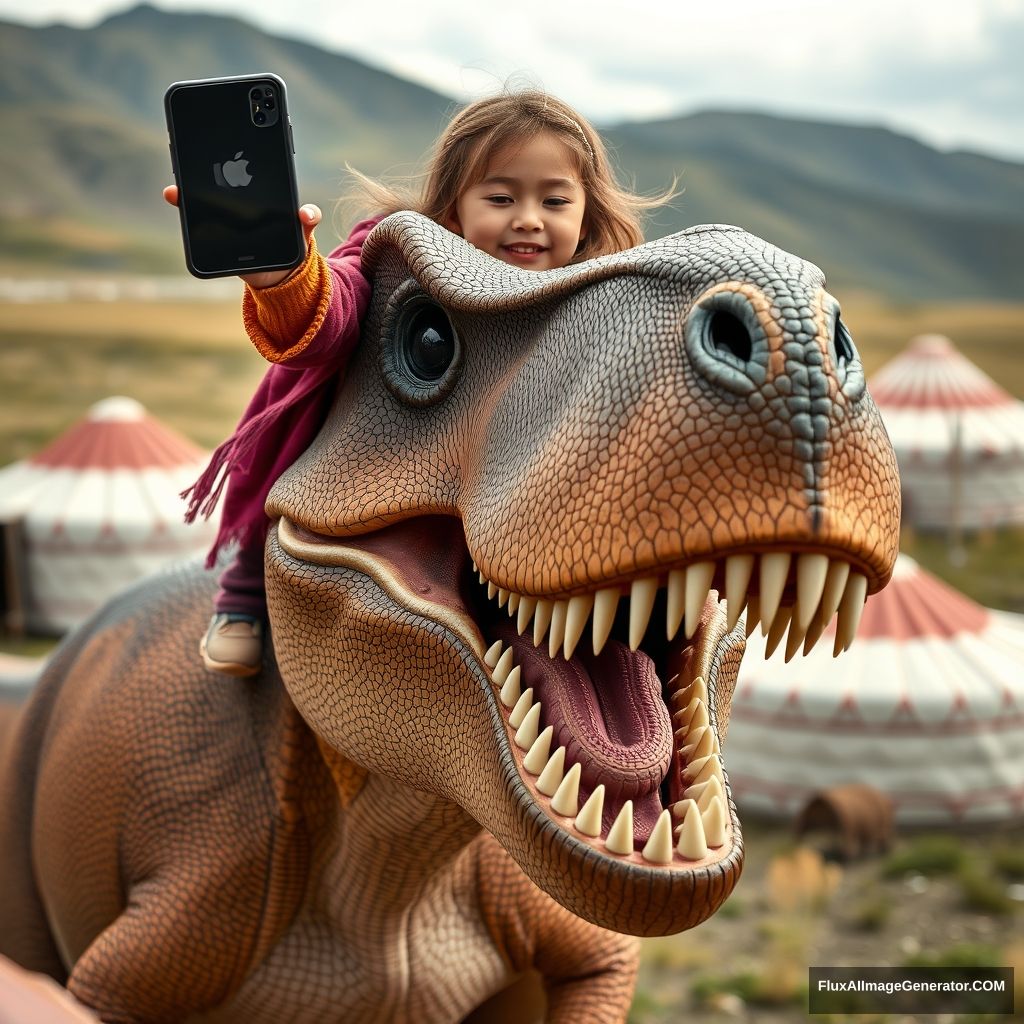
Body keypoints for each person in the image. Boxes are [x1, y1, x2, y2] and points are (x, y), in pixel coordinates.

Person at [166, 88, 674, 677]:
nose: (529, 218)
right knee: (291, 495)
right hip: (384, 464)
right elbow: (330, 317)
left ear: (586, 214)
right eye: (502, 197)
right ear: (456, 209)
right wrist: (281, 276)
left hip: (516, 481)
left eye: (555, 200)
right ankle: (247, 593)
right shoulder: (402, 262)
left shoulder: (596, 294)